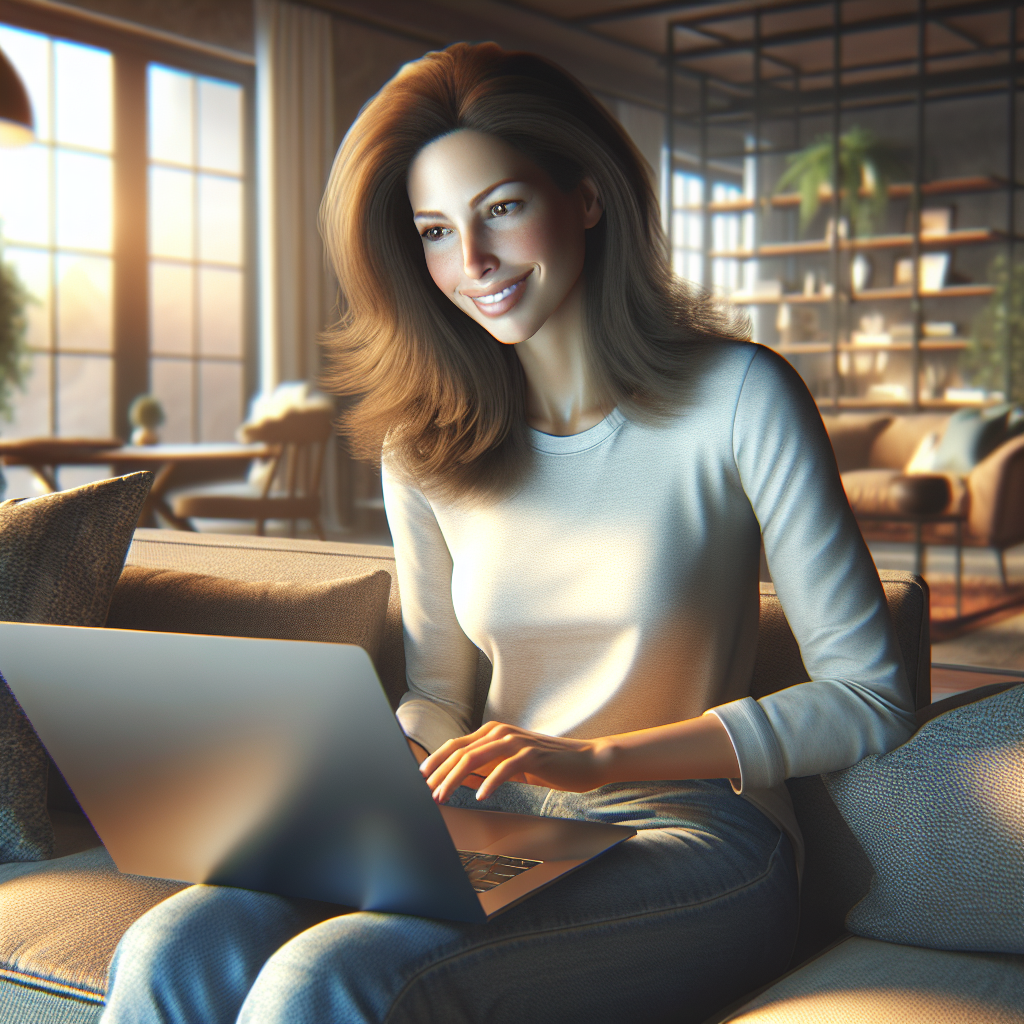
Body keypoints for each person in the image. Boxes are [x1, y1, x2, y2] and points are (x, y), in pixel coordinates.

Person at [100, 42, 915, 1024]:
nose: (471, 263)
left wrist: (598, 760)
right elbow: (437, 692)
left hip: (691, 836)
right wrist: (396, 758)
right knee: (175, 939)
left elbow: (869, 696)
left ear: (585, 195)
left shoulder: (736, 397)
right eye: (435, 231)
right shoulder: (423, 442)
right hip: (495, 824)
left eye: (499, 209)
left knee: (330, 977)